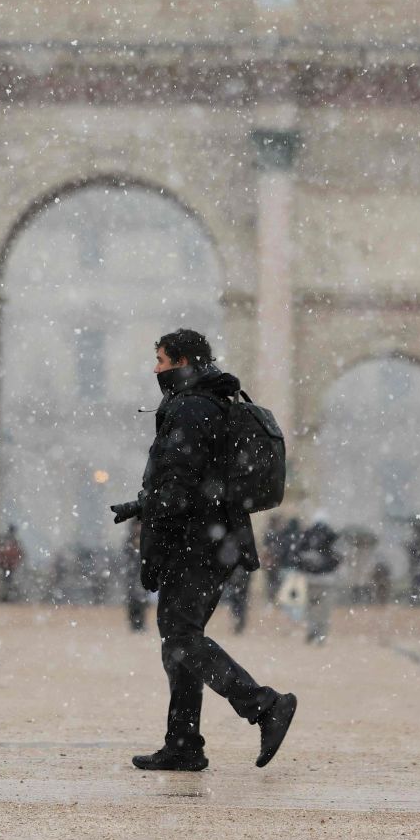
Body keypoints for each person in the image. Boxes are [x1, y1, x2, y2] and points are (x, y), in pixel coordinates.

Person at [111, 329, 297, 773]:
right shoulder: (209, 401)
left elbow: (180, 483)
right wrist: (144, 504)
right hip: (213, 538)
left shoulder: (192, 407)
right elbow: (191, 479)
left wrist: (151, 510)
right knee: (180, 638)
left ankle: (264, 705)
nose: (154, 368)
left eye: (160, 360)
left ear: (181, 361)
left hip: (197, 542)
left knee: (180, 637)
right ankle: (183, 743)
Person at [295, 514, 341, 645]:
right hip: (327, 580)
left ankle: (312, 630)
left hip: (310, 579)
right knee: (324, 609)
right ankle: (321, 634)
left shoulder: (307, 536)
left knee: (311, 607)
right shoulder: (332, 536)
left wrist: (305, 568)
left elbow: (297, 555)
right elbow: (338, 558)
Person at [123, 518, 148, 633]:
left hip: (142, 573)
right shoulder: (129, 541)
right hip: (132, 575)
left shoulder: (146, 539)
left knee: (143, 599)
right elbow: (127, 556)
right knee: (133, 599)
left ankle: (141, 622)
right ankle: (134, 622)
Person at [0, 525, 25, 604]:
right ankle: (7, 597)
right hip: (9, 564)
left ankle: (6, 597)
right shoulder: (13, 541)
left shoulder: (5, 540)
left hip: (6, 564)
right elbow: (19, 553)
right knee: (8, 581)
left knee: (6, 581)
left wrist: (0, 560)